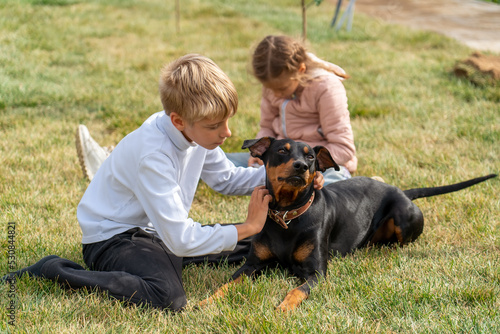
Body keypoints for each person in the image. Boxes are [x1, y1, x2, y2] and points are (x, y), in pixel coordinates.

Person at [2, 54, 274, 312]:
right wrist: (247, 226)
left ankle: (166, 258)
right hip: (114, 238)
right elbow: (179, 240)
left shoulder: (195, 132)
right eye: (215, 125)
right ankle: (54, 269)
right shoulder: (153, 154)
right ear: (179, 121)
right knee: (168, 296)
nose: (226, 132)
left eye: (227, 121)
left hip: (157, 232)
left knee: (262, 244)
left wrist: (286, 177)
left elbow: (226, 179)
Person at [226, 35, 357, 184]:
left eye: (281, 89)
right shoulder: (274, 85)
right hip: (281, 159)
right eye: (269, 88)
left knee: (328, 188)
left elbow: (343, 148)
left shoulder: (326, 88)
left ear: (301, 70)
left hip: (318, 165)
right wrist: (262, 152)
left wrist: (307, 163)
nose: (275, 94)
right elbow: (267, 127)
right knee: (221, 164)